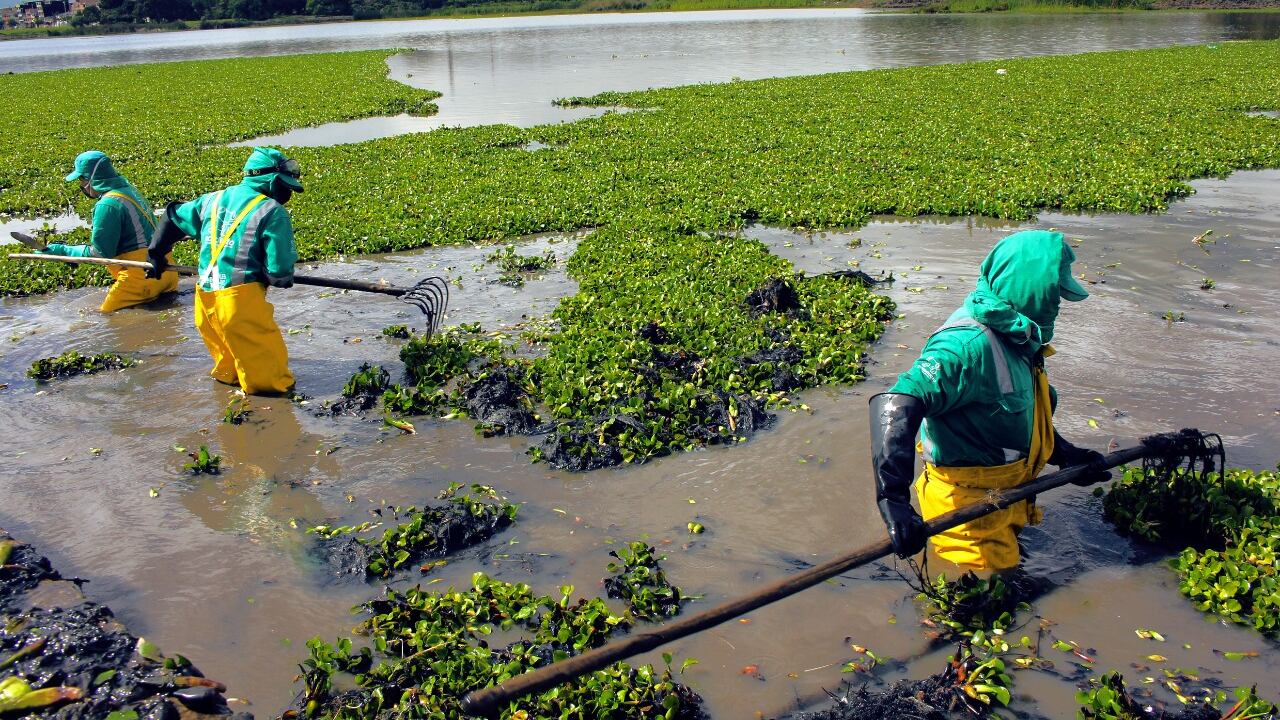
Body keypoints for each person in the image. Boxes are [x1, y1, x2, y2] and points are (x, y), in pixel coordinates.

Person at [868, 229, 1110, 573]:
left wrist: (1067, 455)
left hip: (1008, 496)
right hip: (967, 511)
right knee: (982, 604)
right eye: (1054, 294)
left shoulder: (1021, 338)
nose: (1057, 305)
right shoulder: (967, 346)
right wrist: (892, 499)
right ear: (1030, 289)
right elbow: (898, 403)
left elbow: (1014, 420)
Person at [147, 147, 301, 395]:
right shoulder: (272, 211)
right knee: (271, 383)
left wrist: (155, 253)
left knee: (228, 371)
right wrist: (278, 275)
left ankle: (227, 408)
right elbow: (280, 272)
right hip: (239, 305)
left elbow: (172, 217)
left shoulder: (213, 200)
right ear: (271, 180)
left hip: (206, 300)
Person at [39, 150, 179, 312]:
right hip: (166, 272)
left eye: (81, 179)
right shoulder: (129, 190)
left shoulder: (107, 204)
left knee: (104, 318)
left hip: (142, 277)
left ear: (91, 178)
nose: (81, 185)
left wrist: (63, 251)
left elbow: (101, 253)